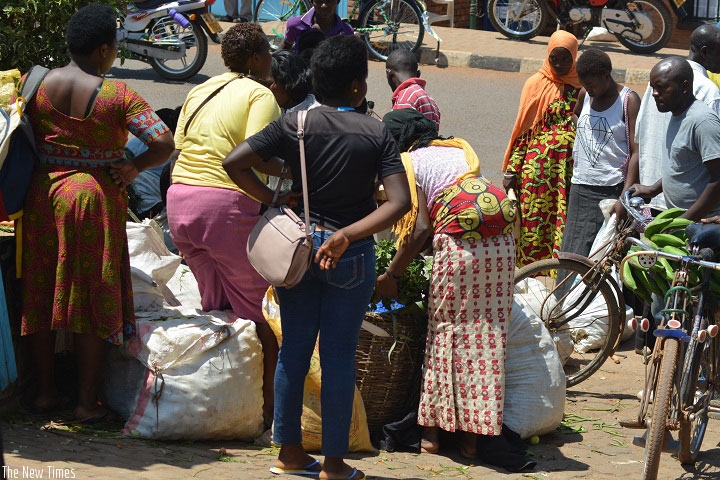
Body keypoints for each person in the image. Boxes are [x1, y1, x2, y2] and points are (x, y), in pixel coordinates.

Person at [223, 35, 410, 480]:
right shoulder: (376, 131)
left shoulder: (295, 123)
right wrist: (347, 234)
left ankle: (288, 454)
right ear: (356, 88)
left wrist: (272, 198)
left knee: (294, 351)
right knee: (340, 356)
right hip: (352, 255)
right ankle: (333, 464)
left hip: (299, 253)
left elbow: (234, 161)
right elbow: (398, 202)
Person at [20, 3, 174, 421]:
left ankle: (45, 394)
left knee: (41, 292)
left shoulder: (35, 86)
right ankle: (88, 403)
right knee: (91, 298)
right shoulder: (117, 95)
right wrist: (133, 167)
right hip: (93, 203)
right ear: (105, 49)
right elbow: (164, 143)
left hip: (43, 197)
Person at [376, 108, 534, 473]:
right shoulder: (460, 149)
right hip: (501, 247)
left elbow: (419, 230)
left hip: (460, 249)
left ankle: (431, 435)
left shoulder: (407, 161)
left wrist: (392, 274)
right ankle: (471, 439)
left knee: (444, 335)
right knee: (486, 340)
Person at [166, 23, 282, 426]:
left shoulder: (201, 89)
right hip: (224, 207)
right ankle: (270, 413)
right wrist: (282, 188)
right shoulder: (259, 93)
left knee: (216, 308)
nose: (272, 60)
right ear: (254, 59)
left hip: (180, 204)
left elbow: (182, 145)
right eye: (267, 51)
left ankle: (219, 404)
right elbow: (255, 156)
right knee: (263, 312)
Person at [502, 30, 581, 268]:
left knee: (563, 219)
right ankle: (530, 272)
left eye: (565, 58)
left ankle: (559, 270)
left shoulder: (582, 85)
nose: (558, 63)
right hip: (537, 172)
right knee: (534, 221)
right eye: (554, 57)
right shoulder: (535, 84)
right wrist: (512, 170)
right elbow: (523, 131)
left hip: (569, 171)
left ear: (574, 58)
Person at [631, 24, 720, 213]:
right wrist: (652, 189)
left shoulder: (703, 119)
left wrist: (686, 220)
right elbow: (682, 164)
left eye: (661, 88)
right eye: (653, 87)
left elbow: (718, 177)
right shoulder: (677, 114)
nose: (654, 94)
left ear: (685, 88)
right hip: (672, 215)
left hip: (698, 224)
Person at [560, 48, 640, 258]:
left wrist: (625, 195)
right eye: (584, 85)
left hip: (612, 189)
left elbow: (636, 152)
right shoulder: (585, 95)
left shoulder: (628, 101)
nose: (588, 89)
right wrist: (587, 133)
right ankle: (569, 293)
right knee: (573, 253)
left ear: (606, 76)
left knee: (608, 254)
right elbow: (576, 114)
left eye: (592, 84)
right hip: (581, 187)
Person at [385, 50, 441, 130]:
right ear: (418, 74)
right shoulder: (429, 99)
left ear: (389, 74)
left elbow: (400, 134)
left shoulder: (405, 98)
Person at [279, 0, 354, 53]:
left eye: (329, 1)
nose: (324, 6)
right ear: (312, 2)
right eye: (318, 1)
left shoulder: (346, 31)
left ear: (337, 1)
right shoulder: (296, 25)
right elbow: (286, 46)